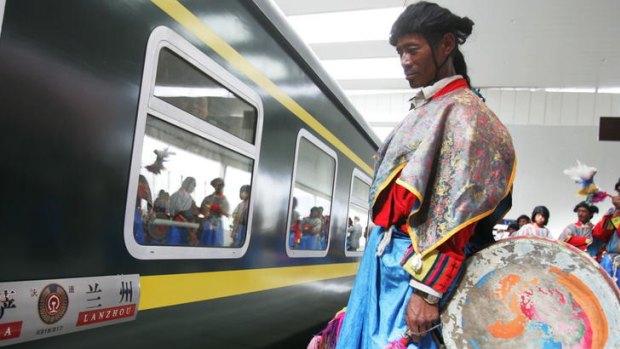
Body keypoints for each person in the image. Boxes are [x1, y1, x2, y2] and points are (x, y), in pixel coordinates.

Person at [311, 3, 516, 348]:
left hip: (415, 272)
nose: (404, 61)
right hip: (388, 264)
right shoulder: (432, 109)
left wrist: (428, 291)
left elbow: (457, 215)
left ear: (446, 45)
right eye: (400, 52)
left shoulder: (467, 115)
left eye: (412, 49)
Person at [593, 178, 620, 287]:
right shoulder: (613, 211)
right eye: (618, 192)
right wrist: (613, 214)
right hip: (610, 261)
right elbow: (600, 234)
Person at [168, 176, 199, 245]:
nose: (193, 188)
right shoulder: (176, 195)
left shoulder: (190, 198)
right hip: (176, 226)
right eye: (193, 185)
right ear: (187, 184)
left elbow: (194, 212)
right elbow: (177, 210)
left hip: (185, 228)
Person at [200, 177, 230, 246]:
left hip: (218, 223)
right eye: (217, 185)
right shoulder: (208, 198)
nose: (219, 187)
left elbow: (226, 214)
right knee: (206, 242)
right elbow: (203, 211)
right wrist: (207, 210)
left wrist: (220, 209)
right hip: (208, 222)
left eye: (220, 185)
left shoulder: (224, 200)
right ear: (214, 186)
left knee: (216, 243)